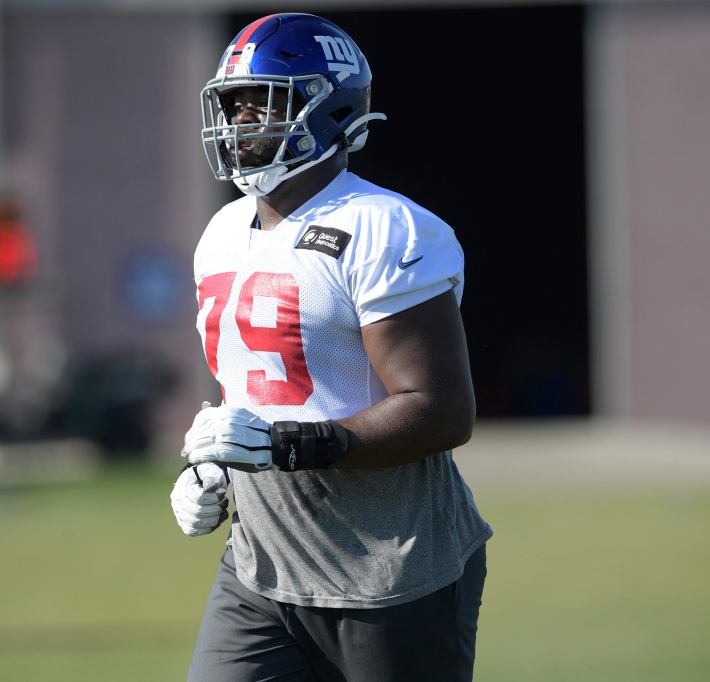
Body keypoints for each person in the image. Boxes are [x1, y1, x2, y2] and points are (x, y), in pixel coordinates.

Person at [169, 13, 493, 681]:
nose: (239, 122)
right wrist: (215, 471)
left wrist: (289, 445)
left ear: (331, 107)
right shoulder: (221, 233)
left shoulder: (385, 227)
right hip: (262, 564)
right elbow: (255, 393)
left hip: (389, 570)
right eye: (232, 104)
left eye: (264, 103)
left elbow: (439, 410)